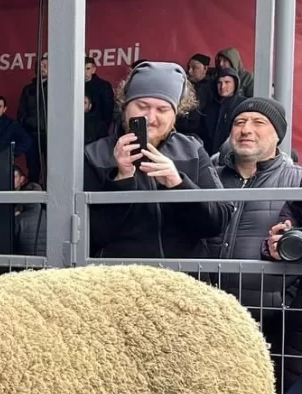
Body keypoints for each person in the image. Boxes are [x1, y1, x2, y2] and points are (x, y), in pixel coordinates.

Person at [83, 60, 228, 258]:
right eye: (142, 106)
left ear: (176, 114)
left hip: (183, 279)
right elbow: (90, 235)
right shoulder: (94, 154)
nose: (151, 118)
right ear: (125, 107)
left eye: (162, 110)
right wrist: (122, 180)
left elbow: (217, 223)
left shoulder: (193, 150)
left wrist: (177, 184)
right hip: (118, 281)